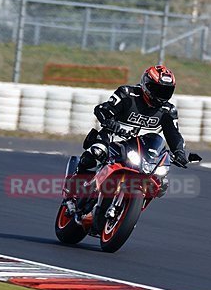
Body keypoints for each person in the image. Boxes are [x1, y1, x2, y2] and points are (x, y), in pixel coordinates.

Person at [75, 65, 188, 195]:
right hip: (114, 139)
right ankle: (75, 189)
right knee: (97, 151)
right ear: (147, 85)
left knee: (161, 181)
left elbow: (174, 134)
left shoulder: (168, 111)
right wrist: (109, 122)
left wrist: (179, 152)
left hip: (142, 150)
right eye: (157, 90)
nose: (161, 95)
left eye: (166, 91)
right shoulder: (127, 94)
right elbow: (102, 109)